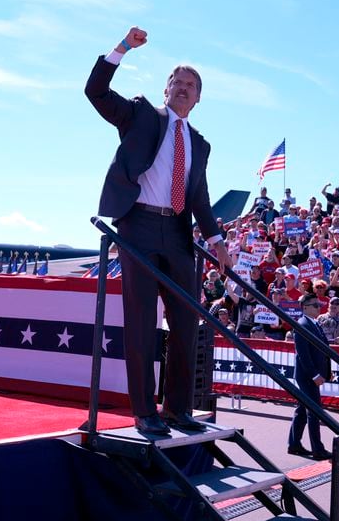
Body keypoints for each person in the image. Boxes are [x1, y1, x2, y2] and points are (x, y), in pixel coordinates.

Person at [85, 26, 232, 435]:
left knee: (187, 323)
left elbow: (199, 197)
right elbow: (95, 91)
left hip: (180, 234)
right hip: (139, 228)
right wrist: (122, 49)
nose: (183, 89)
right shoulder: (141, 115)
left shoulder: (200, 145)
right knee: (142, 323)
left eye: (191, 85)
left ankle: (177, 409)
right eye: (177, 82)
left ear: (199, 97)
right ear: (166, 88)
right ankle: (145, 412)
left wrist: (218, 242)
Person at [287, 294, 333, 461]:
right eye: (314, 305)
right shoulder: (302, 325)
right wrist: (315, 374)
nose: (318, 308)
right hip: (307, 376)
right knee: (314, 411)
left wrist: (327, 371)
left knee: (302, 410)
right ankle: (317, 449)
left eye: (318, 305)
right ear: (305, 307)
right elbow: (303, 355)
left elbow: (323, 350)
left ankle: (294, 444)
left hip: (312, 374)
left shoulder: (314, 323)